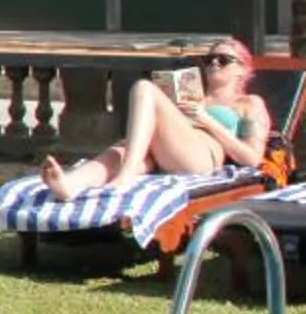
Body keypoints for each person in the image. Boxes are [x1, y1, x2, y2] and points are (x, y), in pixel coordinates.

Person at [39, 36, 272, 199]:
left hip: (203, 155)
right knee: (124, 149)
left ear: (242, 68)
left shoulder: (249, 103)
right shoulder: (193, 95)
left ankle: (127, 175)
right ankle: (70, 184)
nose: (213, 63)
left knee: (144, 88)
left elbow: (252, 158)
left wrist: (206, 120)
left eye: (223, 60)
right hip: (168, 152)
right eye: (208, 59)